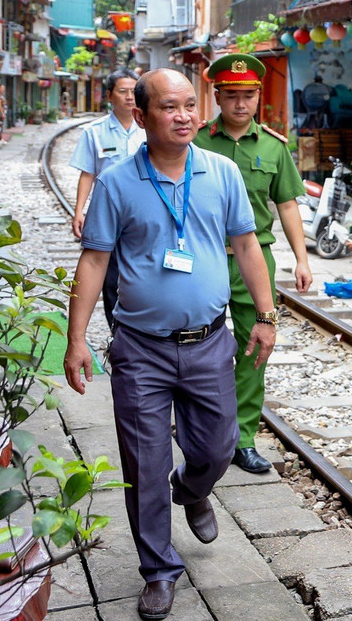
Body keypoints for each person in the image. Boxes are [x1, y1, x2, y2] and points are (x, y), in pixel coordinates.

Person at [63, 68, 279, 621]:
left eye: (190, 105)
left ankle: (193, 487)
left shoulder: (222, 172)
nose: (184, 116)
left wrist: (266, 316)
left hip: (209, 343)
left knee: (216, 448)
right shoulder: (116, 182)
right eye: (169, 107)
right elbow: (94, 261)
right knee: (144, 463)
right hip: (140, 349)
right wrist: (76, 339)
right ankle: (158, 570)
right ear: (141, 116)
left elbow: (248, 246)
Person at [193, 53, 311, 474]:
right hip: (202, 256)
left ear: (259, 96)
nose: (240, 104)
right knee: (190, 345)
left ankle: (242, 439)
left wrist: (301, 258)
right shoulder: (197, 142)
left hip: (254, 260)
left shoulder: (274, 147)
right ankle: (195, 426)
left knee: (254, 349)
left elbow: (287, 205)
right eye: (232, 96)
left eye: (248, 96)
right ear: (217, 96)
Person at [69, 70, 142, 328]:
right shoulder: (95, 132)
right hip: (108, 212)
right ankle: (117, 332)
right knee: (110, 277)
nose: (130, 97)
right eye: (123, 91)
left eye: (134, 91)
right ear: (109, 95)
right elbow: (87, 173)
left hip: (143, 211)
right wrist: (79, 211)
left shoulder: (149, 129)